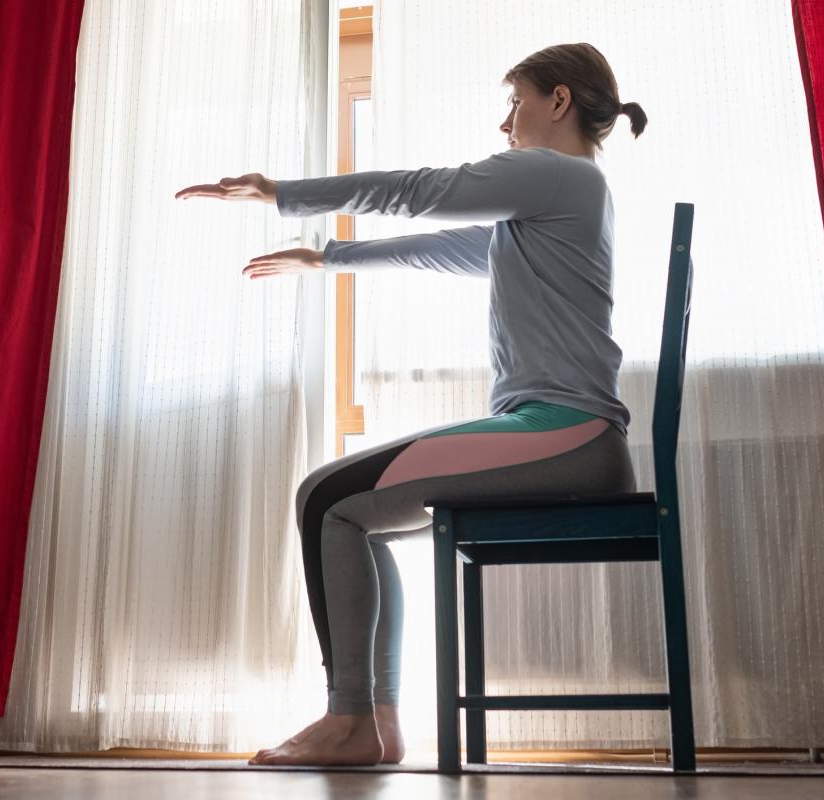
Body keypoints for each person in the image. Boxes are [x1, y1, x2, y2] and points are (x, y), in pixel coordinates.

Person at [174, 43, 648, 767]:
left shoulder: (557, 176)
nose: (505, 125)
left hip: (568, 434)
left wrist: (279, 192)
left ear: (557, 101)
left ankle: (349, 719)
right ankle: (376, 722)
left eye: (514, 103)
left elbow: (421, 189)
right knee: (348, 513)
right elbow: (439, 248)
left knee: (326, 499)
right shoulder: (555, 208)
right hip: (562, 433)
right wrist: (325, 259)